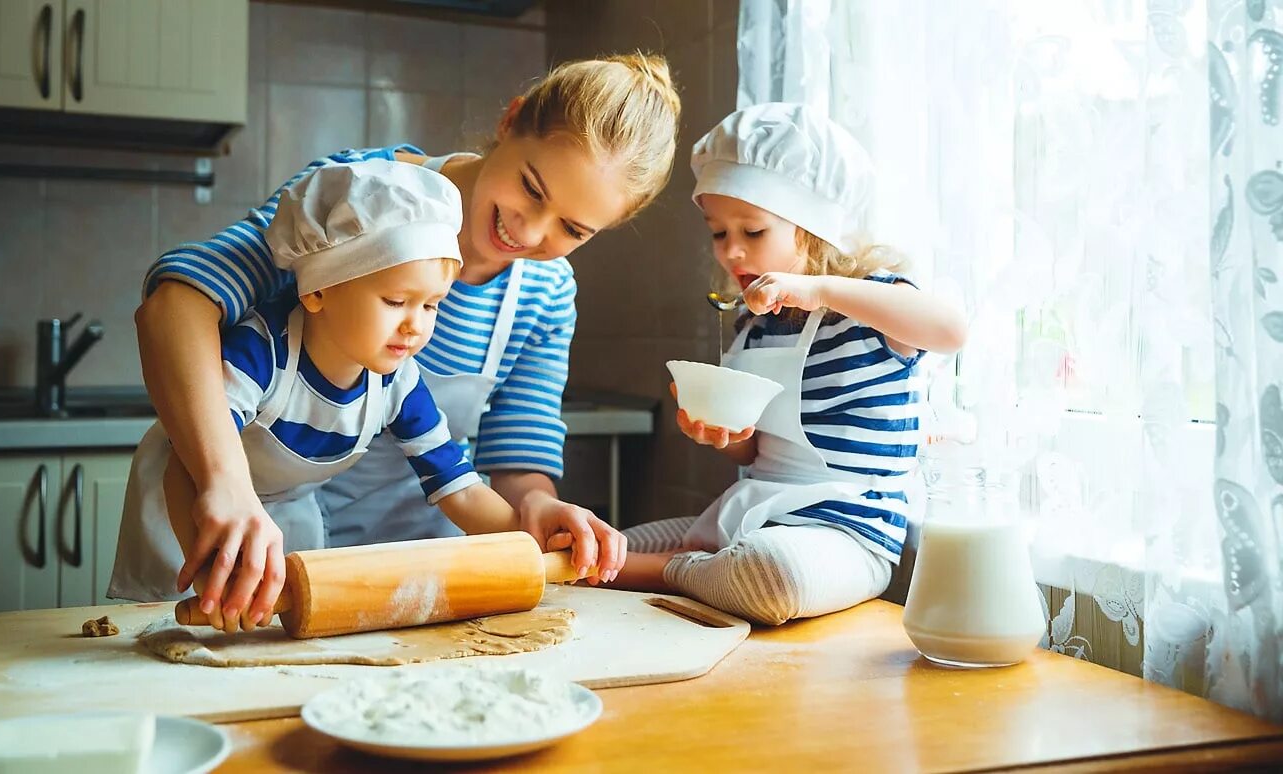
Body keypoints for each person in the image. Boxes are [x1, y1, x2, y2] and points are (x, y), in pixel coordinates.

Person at [131, 54, 681, 628]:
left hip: (420, 574)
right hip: (272, 542)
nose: (529, 232)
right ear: (511, 121)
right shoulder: (359, 200)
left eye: (573, 229)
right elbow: (176, 304)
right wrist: (225, 486)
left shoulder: (545, 289)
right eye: (531, 188)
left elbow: (516, 457)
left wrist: (537, 508)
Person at [617, 103, 968, 625]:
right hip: (760, 510)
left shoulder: (871, 307)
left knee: (769, 578)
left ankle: (659, 572)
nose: (730, 252)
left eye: (752, 233)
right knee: (621, 539)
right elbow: (752, 450)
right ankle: (639, 562)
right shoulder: (754, 327)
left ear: (811, 229)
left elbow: (950, 330)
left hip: (848, 536)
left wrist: (819, 288)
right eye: (718, 232)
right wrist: (719, 432)